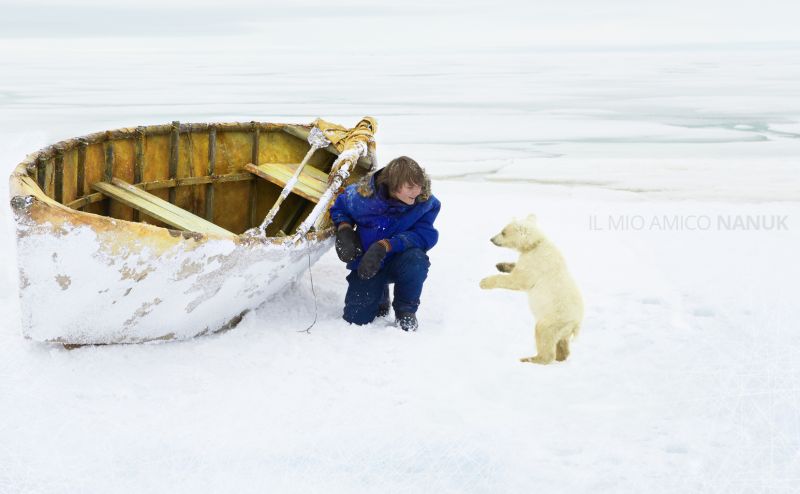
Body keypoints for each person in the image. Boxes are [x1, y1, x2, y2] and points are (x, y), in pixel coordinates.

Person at [329, 156, 440, 331]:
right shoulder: (360, 196)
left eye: (419, 185)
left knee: (417, 260)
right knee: (356, 319)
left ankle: (406, 311)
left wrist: (387, 245)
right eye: (410, 187)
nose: (417, 191)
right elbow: (339, 207)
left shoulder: (426, 204)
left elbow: (425, 235)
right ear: (394, 185)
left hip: (400, 260)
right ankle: (380, 295)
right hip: (368, 262)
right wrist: (344, 229)